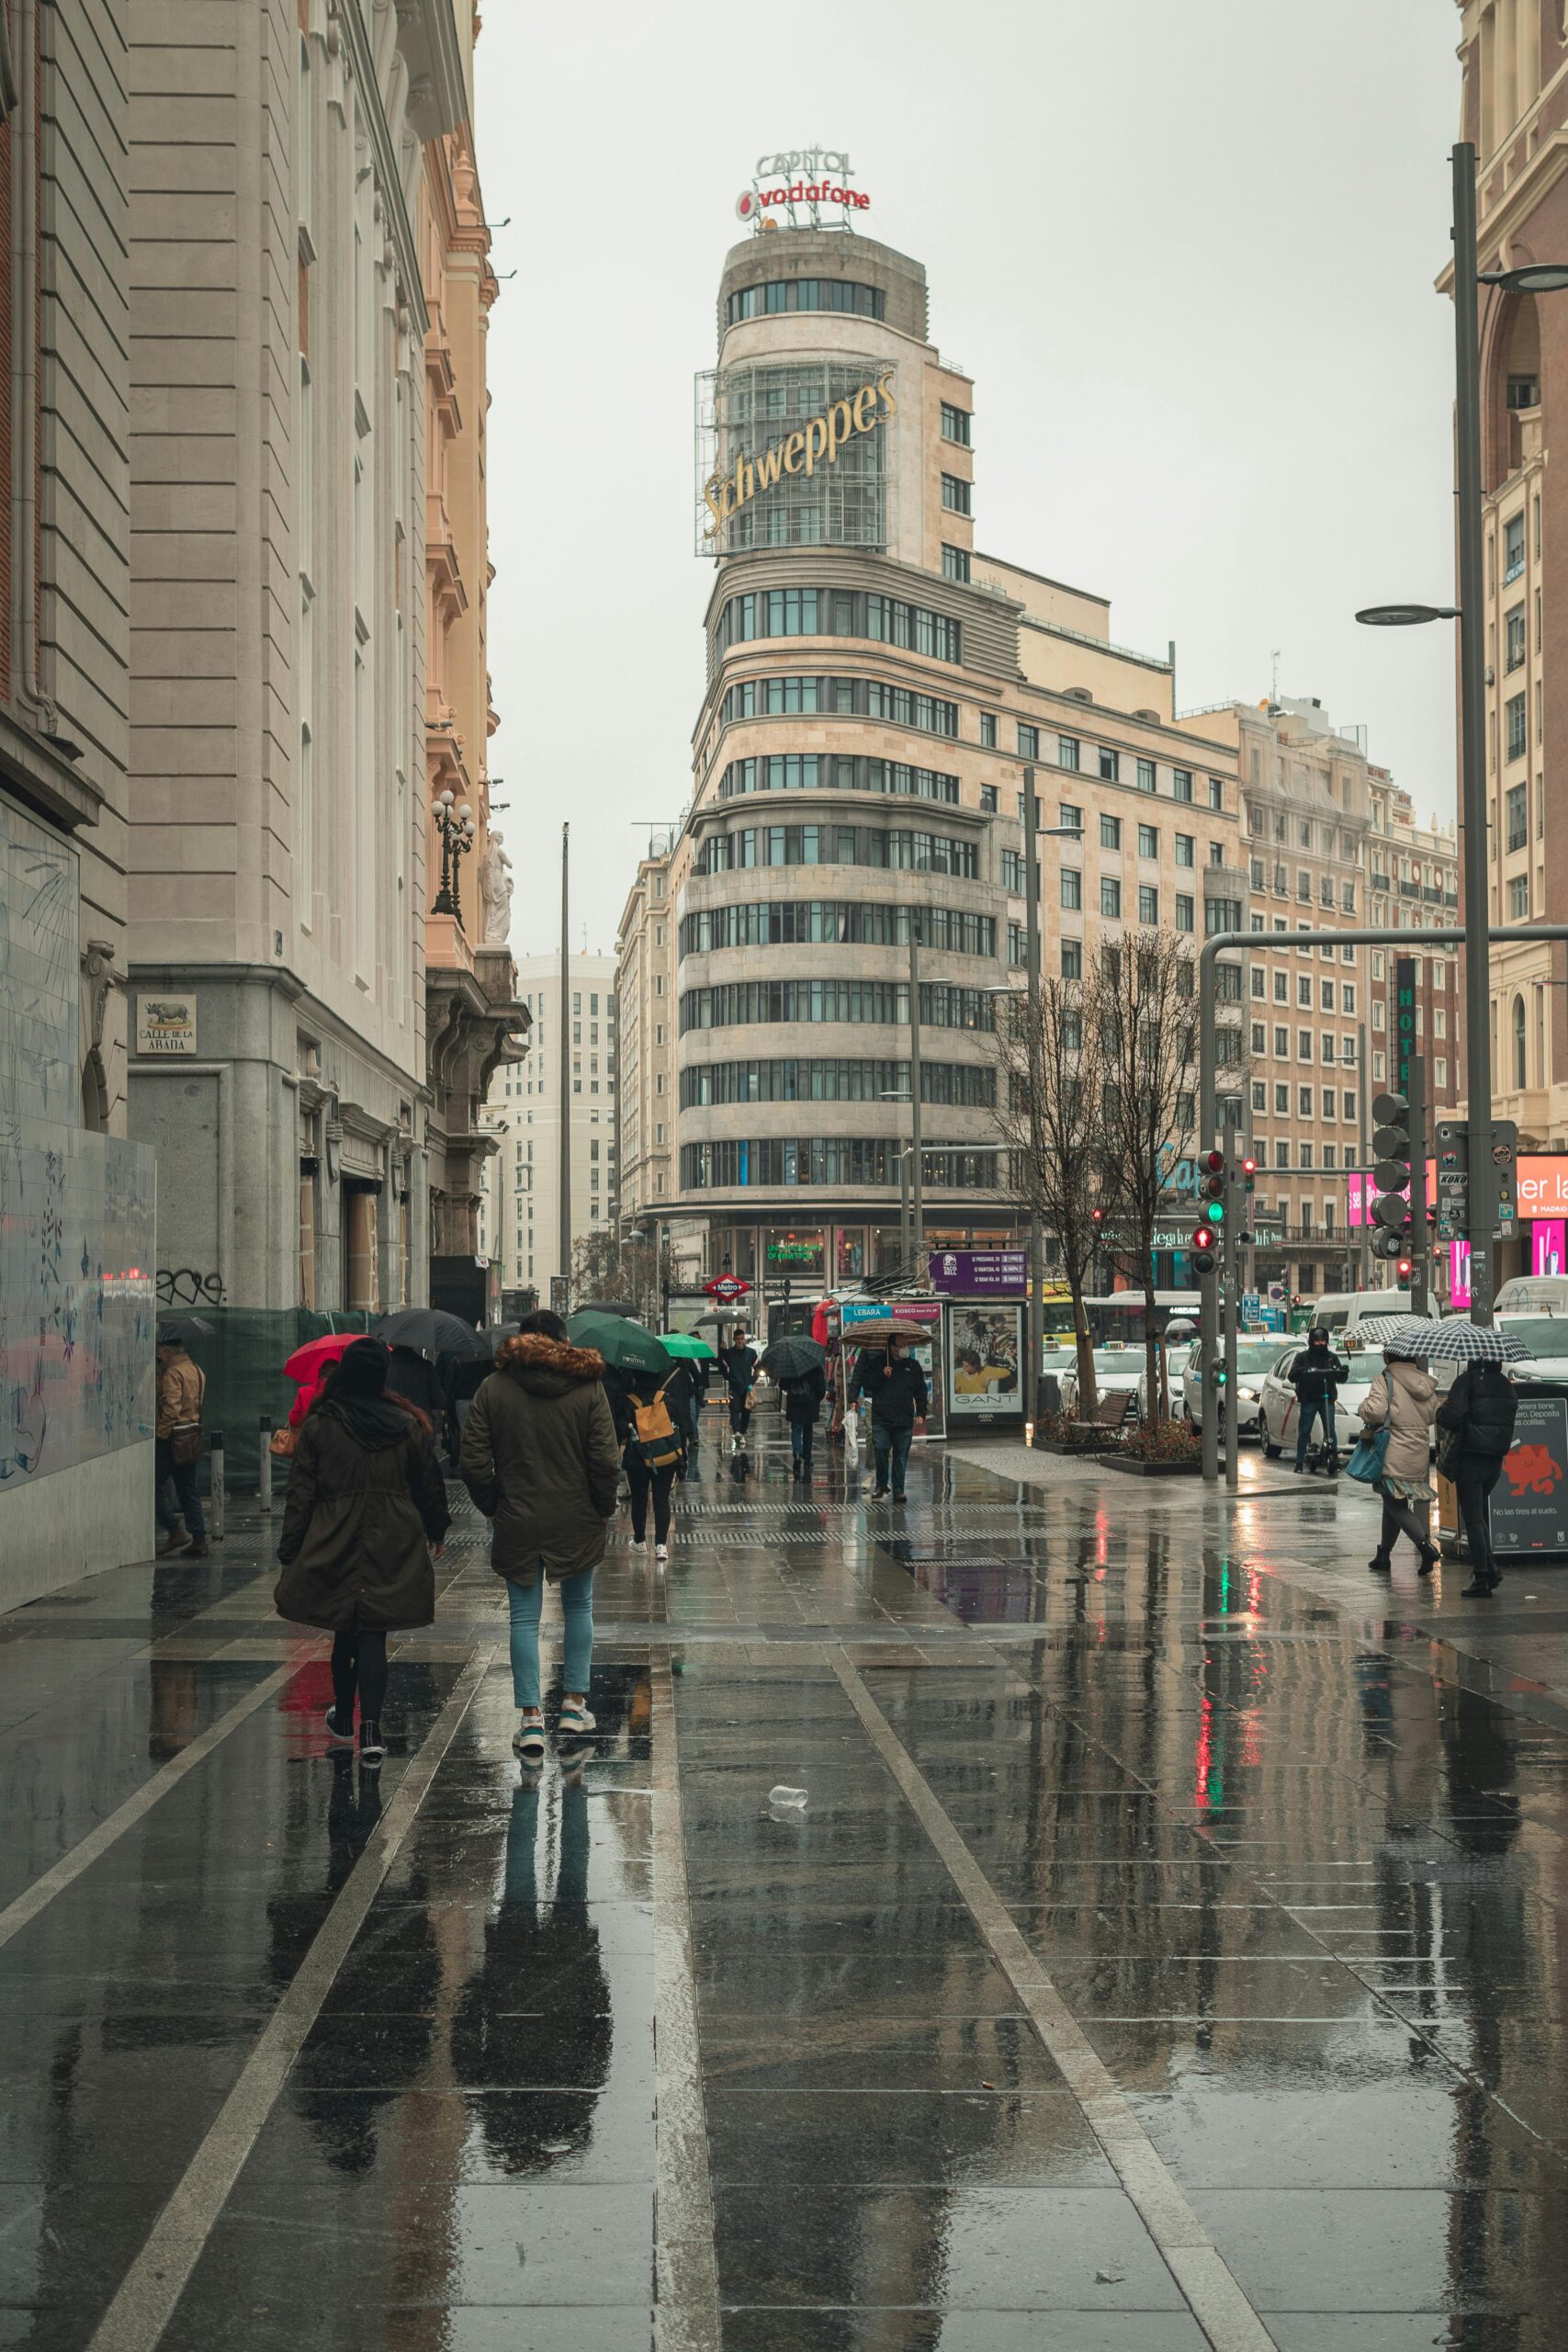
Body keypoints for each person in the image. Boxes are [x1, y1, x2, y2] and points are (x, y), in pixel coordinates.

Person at [275, 1338, 449, 1762]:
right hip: (392, 1536)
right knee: (375, 1633)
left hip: (335, 1534)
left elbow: (300, 1493)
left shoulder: (320, 1425)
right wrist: (436, 1528)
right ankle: (371, 1727)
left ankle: (344, 1718)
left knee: (344, 1631)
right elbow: (429, 1483)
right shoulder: (407, 1425)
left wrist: (290, 1547)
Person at [460, 1309, 620, 1759]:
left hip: (518, 1516)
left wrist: (495, 1503)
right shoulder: (588, 1387)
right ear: (562, 1341)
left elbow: (472, 1460)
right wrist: (603, 1506)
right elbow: (606, 1460)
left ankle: (531, 1719)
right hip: (577, 1516)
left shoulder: (494, 1388)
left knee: (523, 1619)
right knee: (579, 1606)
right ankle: (573, 1705)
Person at [1436, 1357, 1519, 1598]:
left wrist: (1440, 1410)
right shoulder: (1505, 1384)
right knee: (1479, 1514)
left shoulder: (1467, 1381)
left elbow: (1451, 1416)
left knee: (1472, 1518)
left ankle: (1482, 1576)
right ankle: (1489, 1569)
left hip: (1470, 1457)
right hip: (1495, 1460)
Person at [1359, 1348, 1439, 1577]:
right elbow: (1432, 1415)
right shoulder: (1425, 1382)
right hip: (1418, 1449)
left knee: (1395, 1504)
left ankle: (1425, 1547)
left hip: (1393, 1448)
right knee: (1392, 1500)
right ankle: (1384, 1554)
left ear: (1388, 1357)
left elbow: (1375, 1411)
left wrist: (1363, 1407)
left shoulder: (1385, 1379)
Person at [621, 1363, 687, 1556]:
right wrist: (682, 1460)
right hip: (665, 1459)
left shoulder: (629, 1402)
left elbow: (622, 1429)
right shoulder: (666, 1400)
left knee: (639, 1500)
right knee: (661, 1500)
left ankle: (640, 1541)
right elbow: (679, 1429)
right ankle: (661, 1545)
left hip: (637, 1459)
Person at [854, 1338, 928, 1500]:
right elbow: (867, 1383)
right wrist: (882, 1375)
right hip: (882, 1417)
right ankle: (881, 1485)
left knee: (901, 1455)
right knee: (880, 1449)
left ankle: (899, 1490)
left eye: (905, 1344)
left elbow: (921, 1390)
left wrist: (921, 1413)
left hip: (904, 1418)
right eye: (900, 1345)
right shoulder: (878, 1363)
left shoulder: (912, 1366)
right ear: (892, 1347)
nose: (904, 1348)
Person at [154, 1339, 208, 1558]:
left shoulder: (173, 1374)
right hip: (192, 1435)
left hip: (173, 1437)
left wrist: (161, 1435)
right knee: (188, 1489)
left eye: (159, 1354)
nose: (158, 1358)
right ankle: (199, 1539)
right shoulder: (196, 1370)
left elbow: (172, 1408)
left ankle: (174, 1529)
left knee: (153, 1484)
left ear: (167, 1351)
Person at [1287, 1328, 1347, 1472]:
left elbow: (1341, 1377)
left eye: (1323, 1341)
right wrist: (1301, 1371)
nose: (1320, 1343)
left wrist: (1342, 1371)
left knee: (1330, 1430)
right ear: (1311, 1341)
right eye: (1317, 1341)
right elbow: (1292, 1375)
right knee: (1305, 1430)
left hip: (1327, 1398)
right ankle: (1299, 1462)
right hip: (1309, 1399)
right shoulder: (1302, 1357)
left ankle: (1334, 1458)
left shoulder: (1331, 1358)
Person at [782, 1361, 826, 1477]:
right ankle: (807, 1459)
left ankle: (797, 1452)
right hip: (810, 1402)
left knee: (796, 1428)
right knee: (808, 1429)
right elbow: (821, 1386)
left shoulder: (790, 1364)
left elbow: (783, 1385)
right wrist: (817, 1398)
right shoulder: (815, 1364)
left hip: (794, 1402)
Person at [720, 1332, 758, 1453]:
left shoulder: (751, 1353)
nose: (740, 1342)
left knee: (747, 1410)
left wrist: (752, 1380)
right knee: (734, 1409)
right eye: (737, 1339)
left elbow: (758, 1367)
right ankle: (737, 1431)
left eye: (742, 1339)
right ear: (734, 1339)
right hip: (735, 1387)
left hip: (747, 1387)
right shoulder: (729, 1354)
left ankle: (742, 1432)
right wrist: (730, 1378)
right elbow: (723, 1368)